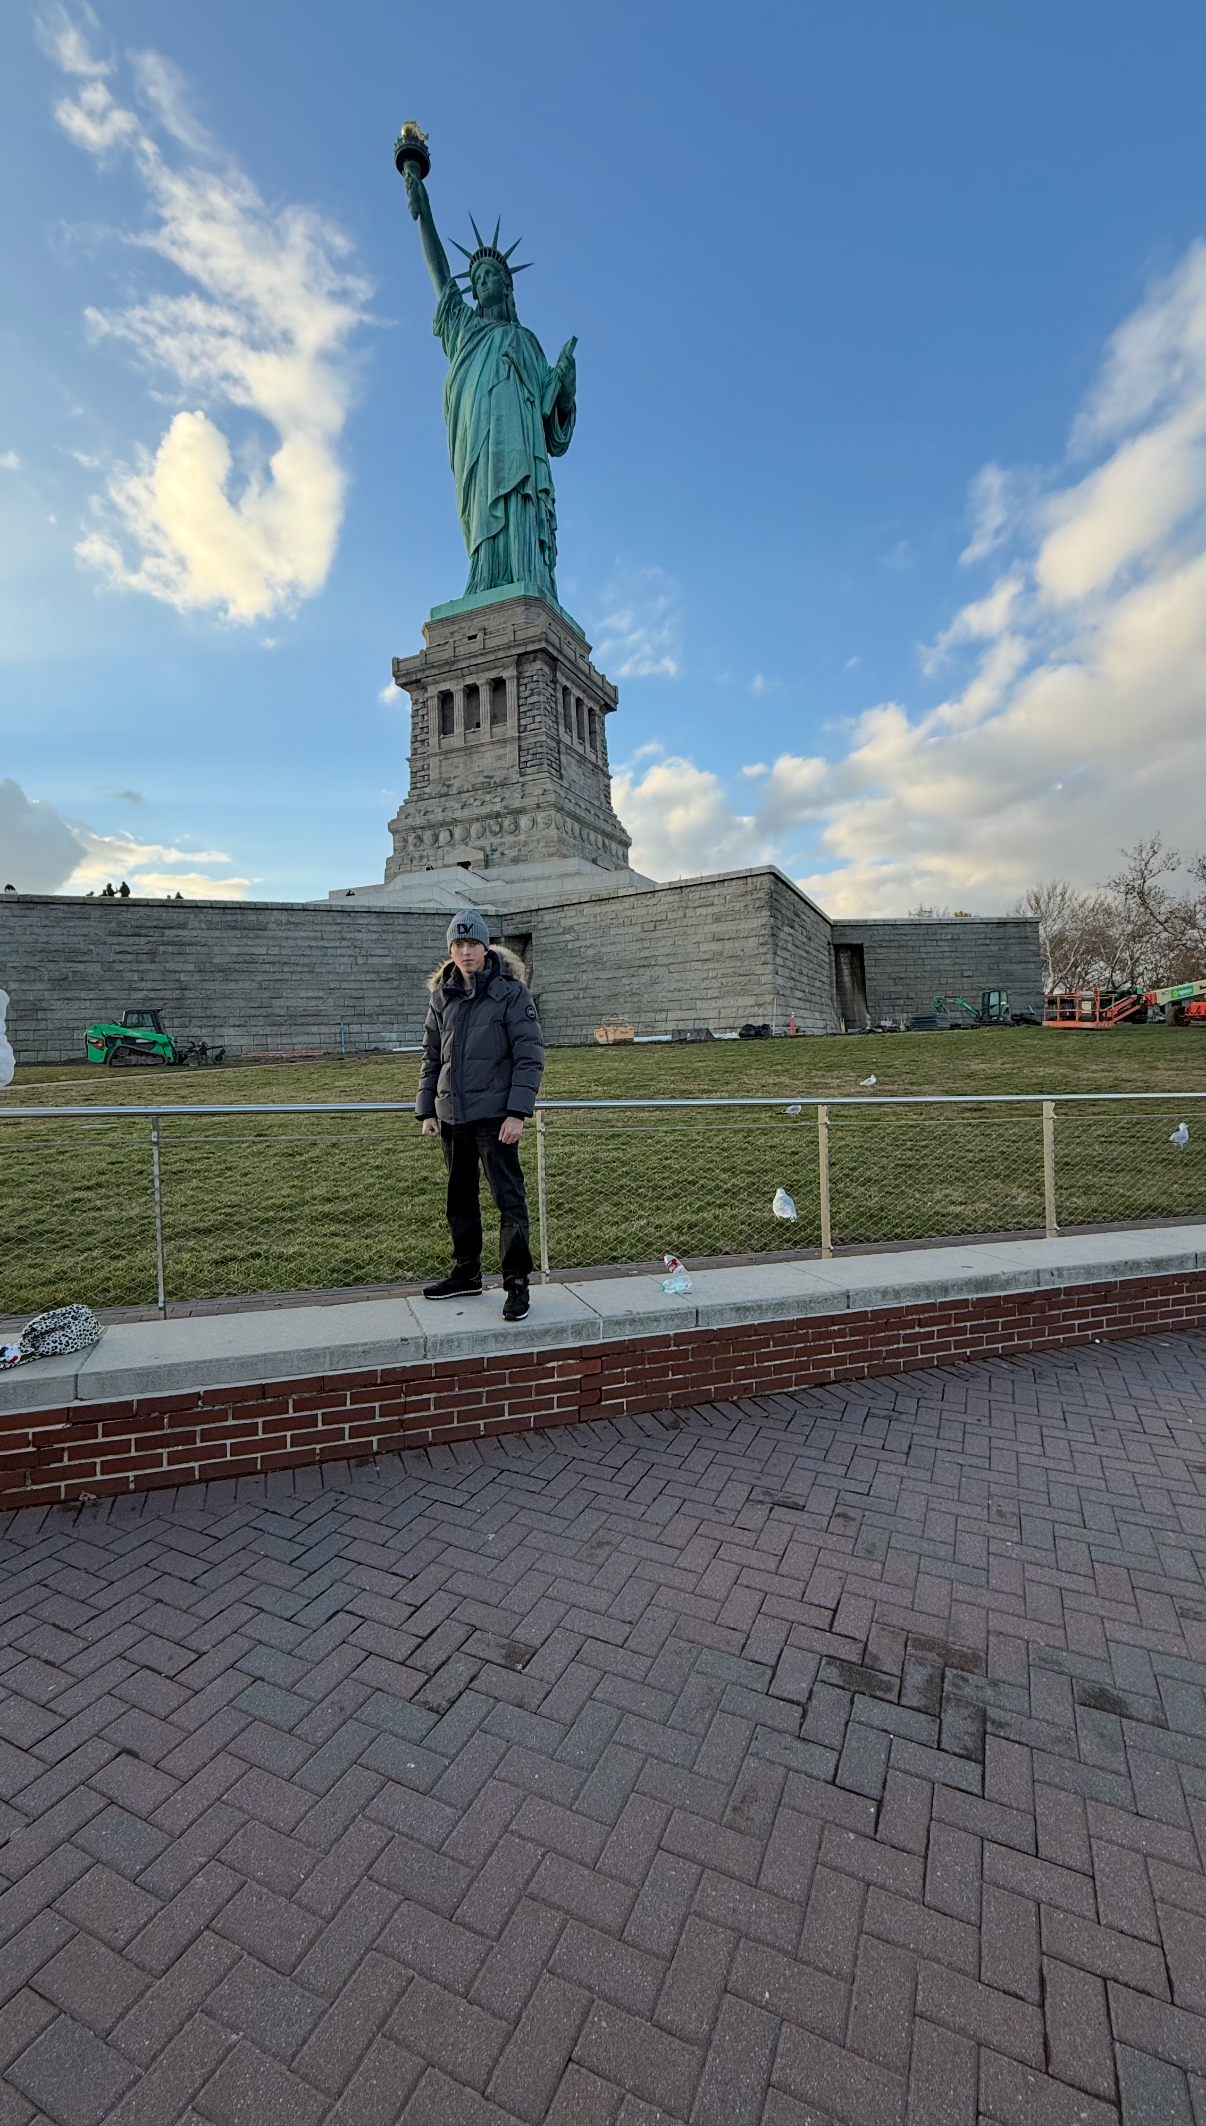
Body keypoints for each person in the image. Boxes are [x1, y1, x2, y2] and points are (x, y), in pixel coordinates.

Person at [416, 911, 543, 1321]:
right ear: (450, 950)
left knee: (509, 1199)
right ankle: (467, 1273)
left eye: (472, 944)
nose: (465, 951)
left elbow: (529, 1057)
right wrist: (427, 1110)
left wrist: (517, 1113)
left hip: (496, 1118)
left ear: (485, 947)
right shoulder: (442, 996)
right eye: (458, 945)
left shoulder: (511, 993)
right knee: (460, 1199)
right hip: (453, 1116)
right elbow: (432, 1057)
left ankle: (516, 1282)